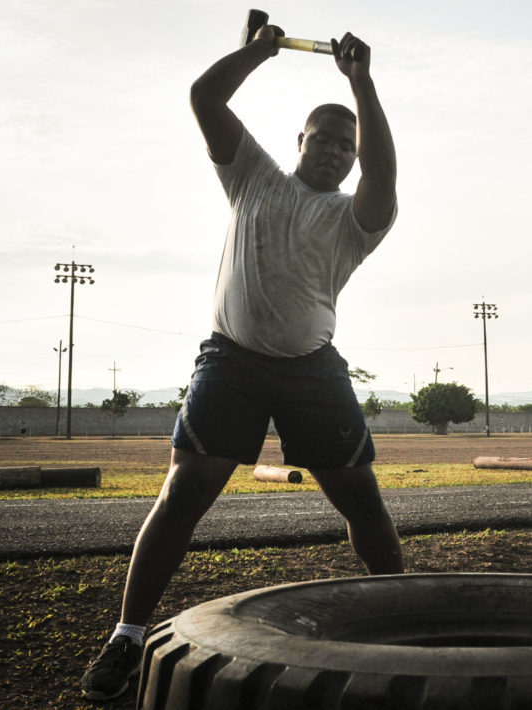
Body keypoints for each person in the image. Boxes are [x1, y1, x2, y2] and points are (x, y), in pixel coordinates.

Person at [80, 24, 402, 702]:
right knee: (184, 494)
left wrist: (361, 83)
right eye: (326, 139)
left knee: (362, 501)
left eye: (349, 146)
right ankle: (128, 635)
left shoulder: (356, 218)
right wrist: (261, 51)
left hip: (312, 370)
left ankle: (405, 625)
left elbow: (384, 172)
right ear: (300, 142)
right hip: (230, 361)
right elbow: (205, 97)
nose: (338, 153)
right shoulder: (253, 176)